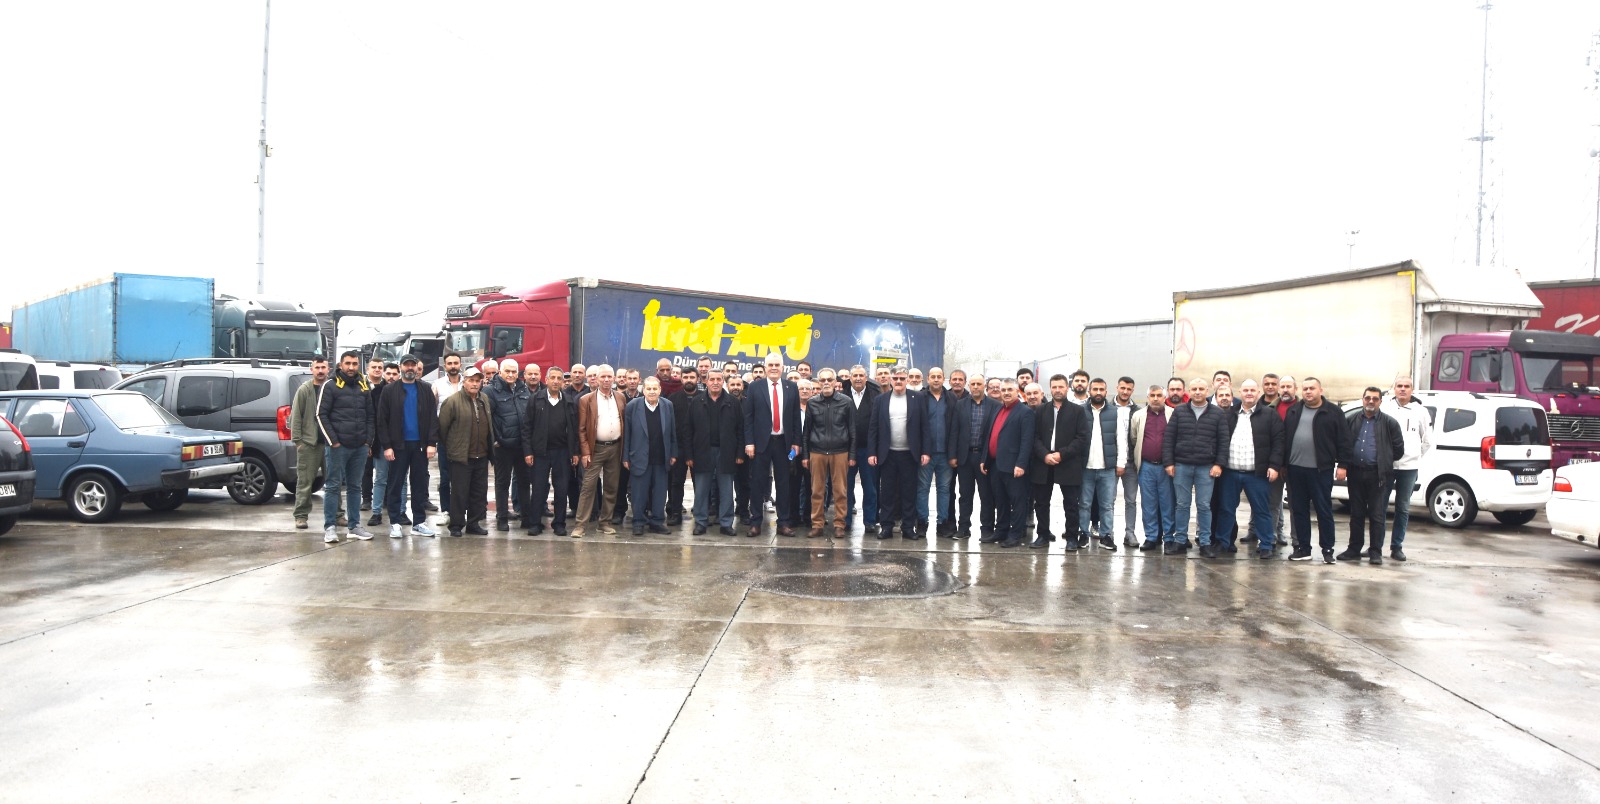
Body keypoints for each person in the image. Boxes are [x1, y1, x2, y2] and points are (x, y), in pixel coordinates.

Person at [1213, 380, 1286, 559]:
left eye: (1252, 390)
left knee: (1262, 510)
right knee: (1226, 509)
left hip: (1257, 473)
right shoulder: (1228, 414)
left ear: (1258, 392)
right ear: (1240, 392)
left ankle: (1266, 544)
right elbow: (1219, 441)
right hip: (1230, 472)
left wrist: (1274, 466)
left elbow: (1279, 442)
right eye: (1245, 390)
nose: (1249, 393)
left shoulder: (1270, 415)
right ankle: (1223, 542)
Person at [1337, 386, 1406, 564]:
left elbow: (1398, 450)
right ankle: (1354, 549)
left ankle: (1375, 551)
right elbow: (1343, 444)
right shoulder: (1351, 420)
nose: (1371, 401)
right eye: (1368, 398)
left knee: (1377, 515)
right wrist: (1344, 465)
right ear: (1363, 399)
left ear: (1380, 402)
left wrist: (1382, 461)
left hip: (1379, 476)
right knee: (1356, 513)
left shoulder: (1390, 423)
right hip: (1356, 473)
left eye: (1375, 399)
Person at [375, 355, 440, 538]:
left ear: (417, 368)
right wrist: (387, 446)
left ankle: (419, 523)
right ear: (401, 367)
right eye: (406, 365)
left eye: (413, 365)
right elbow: (382, 420)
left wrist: (431, 443)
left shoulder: (425, 389)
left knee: (419, 484)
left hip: (420, 445)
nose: (410, 368)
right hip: (398, 446)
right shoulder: (389, 390)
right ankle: (395, 523)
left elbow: (432, 418)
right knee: (395, 484)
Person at [1162, 378, 1228, 557]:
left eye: (1201, 389)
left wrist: (1219, 464)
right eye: (1194, 389)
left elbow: (1223, 441)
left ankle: (1205, 543)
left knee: (1204, 506)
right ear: (1189, 392)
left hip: (1206, 468)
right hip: (1182, 466)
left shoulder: (1217, 413)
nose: (1197, 392)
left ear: (1207, 391)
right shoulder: (1179, 411)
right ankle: (1180, 541)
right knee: (1182, 505)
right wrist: (1169, 463)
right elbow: (1169, 438)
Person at [1283, 377, 1346, 564]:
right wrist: (1283, 464)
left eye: (1312, 388)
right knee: (1299, 510)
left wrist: (1343, 465)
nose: (1308, 392)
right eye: (1305, 389)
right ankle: (1303, 549)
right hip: (1295, 470)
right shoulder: (1294, 411)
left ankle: (1327, 550)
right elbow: (1285, 439)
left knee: (1323, 510)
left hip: (1321, 470)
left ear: (1321, 390)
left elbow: (1344, 440)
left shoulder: (1333, 412)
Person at [316, 350, 376, 543]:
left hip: (359, 446)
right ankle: (330, 527)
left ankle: (354, 526)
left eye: (354, 364)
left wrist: (367, 441)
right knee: (333, 486)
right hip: (337, 447)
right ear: (340, 365)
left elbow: (370, 416)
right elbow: (321, 415)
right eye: (348, 363)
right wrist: (333, 441)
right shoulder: (330, 385)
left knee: (355, 487)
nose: (351, 367)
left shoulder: (364, 385)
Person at [743, 353, 802, 537]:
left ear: (783, 367)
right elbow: (748, 417)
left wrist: (796, 442)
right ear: (765, 367)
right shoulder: (755, 387)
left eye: (777, 365)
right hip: (761, 443)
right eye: (771, 365)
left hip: (784, 443)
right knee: (757, 483)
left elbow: (795, 417)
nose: (774, 368)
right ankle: (755, 522)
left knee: (784, 484)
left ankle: (783, 522)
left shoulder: (791, 387)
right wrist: (749, 442)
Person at [1025, 374, 1086, 549]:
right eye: (1054, 387)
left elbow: (1081, 438)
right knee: (1041, 503)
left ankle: (1072, 537)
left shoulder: (1077, 411)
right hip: (1043, 462)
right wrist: (1044, 455)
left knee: (1071, 503)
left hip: (1068, 462)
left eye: (1061, 386)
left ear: (1067, 388)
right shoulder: (1040, 410)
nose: (1057, 390)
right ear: (1050, 389)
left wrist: (1062, 454)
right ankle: (1043, 535)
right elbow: (1034, 437)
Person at [868, 367, 928, 539]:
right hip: (887, 453)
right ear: (891, 380)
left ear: (907, 379)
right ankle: (886, 526)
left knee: (909, 492)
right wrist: (872, 452)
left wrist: (925, 451)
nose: (899, 381)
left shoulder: (918, 398)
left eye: (902, 378)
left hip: (910, 454)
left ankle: (908, 528)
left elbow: (924, 426)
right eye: (896, 378)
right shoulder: (881, 399)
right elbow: (873, 427)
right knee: (887, 492)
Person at [686, 367, 744, 536]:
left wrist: (740, 453)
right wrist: (689, 455)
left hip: (727, 452)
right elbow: (688, 430)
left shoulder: (733, 402)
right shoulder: (696, 402)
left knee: (726, 489)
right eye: (712, 379)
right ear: (706, 381)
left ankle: (726, 523)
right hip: (702, 452)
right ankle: (700, 522)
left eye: (719, 379)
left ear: (723, 382)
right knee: (702, 490)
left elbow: (740, 430)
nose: (715, 382)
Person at [522, 365, 578, 536]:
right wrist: (528, 451)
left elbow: (574, 430)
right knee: (538, 489)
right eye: (552, 378)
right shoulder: (535, 399)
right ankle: (535, 523)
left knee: (561, 489)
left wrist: (574, 452)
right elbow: (526, 427)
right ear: (546, 380)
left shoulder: (569, 401)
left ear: (563, 382)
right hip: (540, 452)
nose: (555, 381)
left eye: (559, 378)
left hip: (562, 452)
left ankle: (559, 523)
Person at [438, 366, 494, 537]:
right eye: (471, 380)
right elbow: (442, 429)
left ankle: (473, 524)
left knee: (478, 492)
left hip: (481, 455)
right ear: (464, 382)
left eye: (477, 381)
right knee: (459, 493)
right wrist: (453, 448)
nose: (475, 384)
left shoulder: (484, 399)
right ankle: (456, 525)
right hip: (461, 456)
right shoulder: (452, 401)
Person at [571, 365, 626, 538]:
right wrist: (585, 452)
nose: (606, 380)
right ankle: (580, 525)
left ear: (614, 378)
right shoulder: (586, 400)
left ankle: (605, 523)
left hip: (615, 447)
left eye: (609, 376)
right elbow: (581, 429)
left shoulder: (620, 397)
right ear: (596, 378)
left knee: (611, 487)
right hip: (595, 449)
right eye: (603, 376)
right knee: (588, 487)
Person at [1380, 376, 1431, 562]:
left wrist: (1414, 456)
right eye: (1399, 386)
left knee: (1402, 508)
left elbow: (1427, 440)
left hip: (1409, 467)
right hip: (1387, 466)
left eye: (1406, 386)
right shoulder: (1385, 408)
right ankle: (1375, 546)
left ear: (1412, 390)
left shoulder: (1421, 411)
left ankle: (1397, 547)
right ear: (1394, 389)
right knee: (1379, 507)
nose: (1403, 389)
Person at [981, 379, 1035, 548]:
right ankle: (1001, 531)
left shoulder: (1025, 412)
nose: (1006, 393)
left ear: (1017, 391)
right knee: (1001, 500)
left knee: (1018, 502)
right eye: (1003, 390)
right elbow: (991, 436)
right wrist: (985, 459)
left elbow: (1027, 441)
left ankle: (1016, 534)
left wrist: (1021, 464)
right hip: (996, 464)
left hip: (1014, 466)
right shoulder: (998, 409)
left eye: (1009, 389)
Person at [801, 368, 854, 538]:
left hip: (840, 452)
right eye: (822, 380)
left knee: (840, 491)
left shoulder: (846, 402)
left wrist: (852, 455)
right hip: (817, 452)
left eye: (829, 379)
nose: (826, 383)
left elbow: (852, 430)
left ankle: (839, 524)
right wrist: (805, 455)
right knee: (817, 490)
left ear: (835, 382)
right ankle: (817, 524)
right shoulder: (812, 402)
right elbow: (806, 432)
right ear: (818, 382)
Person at [623, 377, 677, 535]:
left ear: (660, 390)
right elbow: (627, 433)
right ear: (643, 390)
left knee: (660, 493)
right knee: (639, 493)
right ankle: (638, 522)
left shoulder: (668, 405)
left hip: (661, 457)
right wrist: (625, 457)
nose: (652, 391)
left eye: (655, 388)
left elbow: (672, 431)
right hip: (639, 457)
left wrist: (673, 453)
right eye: (649, 388)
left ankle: (657, 522)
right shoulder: (633, 406)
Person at [1078, 378, 1128, 552]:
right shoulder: (1080, 411)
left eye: (1101, 389)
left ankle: (1106, 536)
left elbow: (1121, 440)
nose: (1098, 392)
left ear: (1106, 392)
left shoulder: (1115, 412)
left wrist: (1121, 463)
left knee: (1107, 505)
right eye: (1095, 389)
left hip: (1107, 469)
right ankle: (1083, 534)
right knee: (1084, 503)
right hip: (1085, 468)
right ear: (1089, 391)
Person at [485, 358, 530, 531]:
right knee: (502, 483)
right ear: (500, 372)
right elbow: (488, 418)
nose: (511, 375)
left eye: (514, 372)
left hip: (522, 445)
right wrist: (495, 440)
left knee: (524, 482)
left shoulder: (523, 389)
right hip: (502, 446)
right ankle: (502, 518)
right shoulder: (490, 391)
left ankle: (526, 518)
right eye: (507, 371)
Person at [1131, 385, 1175, 551]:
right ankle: (1151, 537)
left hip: (1167, 467)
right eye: (1152, 395)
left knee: (1168, 503)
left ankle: (1169, 537)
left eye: (1159, 395)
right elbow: (1134, 438)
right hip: (1146, 466)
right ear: (1147, 397)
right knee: (1148, 504)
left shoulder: (1173, 414)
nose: (1155, 398)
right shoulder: (1138, 416)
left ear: (1164, 397)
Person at [952, 369, 995, 539]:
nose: (976, 387)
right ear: (969, 386)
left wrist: (988, 458)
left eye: (979, 384)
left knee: (986, 495)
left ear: (984, 386)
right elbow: (954, 431)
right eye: (973, 384)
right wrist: (953, 455)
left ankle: (987, 529)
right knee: (965, 495)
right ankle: (963, 528)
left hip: (984, 458)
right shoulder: (960, 405)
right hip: (965, 457)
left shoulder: (994, 406)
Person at [289, 356, 330, 530]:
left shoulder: (332, 388)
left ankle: (338, 514)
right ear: (311, 369)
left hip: (330, 444)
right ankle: (300, 516)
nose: (320, 371)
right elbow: (296, 416)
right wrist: (298, 441)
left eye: (323, 367)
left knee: (334, 482)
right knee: (305, 482)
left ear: (328, 369)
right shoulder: (304, 390)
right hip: (309, 444)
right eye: (317, 367)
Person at [916, 367, 955, 536]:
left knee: (944, 489)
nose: (936, 379)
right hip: (926, 453)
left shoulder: (951, 398)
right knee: (922, 488)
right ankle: (922, 523)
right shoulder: (920, 397)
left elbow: (955, 427)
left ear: (943, 378)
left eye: (939, 376)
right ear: (928, 378)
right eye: (933, 376)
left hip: (946, 454)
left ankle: (942, 523)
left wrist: (953, 453)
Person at [845, 364, 881, 534]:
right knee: (846, 487)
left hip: (868, 449)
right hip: (846, 449)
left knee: (870, 487)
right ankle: (845, 520)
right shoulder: (842, 393)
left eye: (861, 375)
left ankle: (870, 521)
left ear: (866, 377)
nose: (858, 378)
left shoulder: (875, 394)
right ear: (850, 378)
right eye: (855, 375)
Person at [665, 367, 701, 527]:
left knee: (700, 483)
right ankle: (675, 513)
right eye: (685, 377)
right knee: (676, 482)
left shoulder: (704, 397)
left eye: (692, 377)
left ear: (697, 379)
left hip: (699, 448)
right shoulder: (672, 399)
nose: (689, 380)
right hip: (678, 447)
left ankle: (701, 514)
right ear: (681, 379)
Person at [431, 352, 466, 518]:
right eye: (450, 363)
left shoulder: (468, 383)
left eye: (456, 363)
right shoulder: (437, 385)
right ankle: (446, 510)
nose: (453, 366)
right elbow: (432, 411)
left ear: (460, 365)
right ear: (444, 366)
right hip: (445, 438)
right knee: (445, 477)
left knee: (463, 477)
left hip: (465, 437)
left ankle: (461, 511)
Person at [1113, 377, 1142, 547]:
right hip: (1110, 462)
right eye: (1122, 388)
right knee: (1108, 501)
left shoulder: (1138, 412)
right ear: (1117, 387)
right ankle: (1107, 533)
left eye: (1128, 389)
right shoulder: (1108, 408)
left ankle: (1129, 533)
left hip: (1131, 463)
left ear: (1133, 390)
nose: (1125, 392)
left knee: (1131, 500)